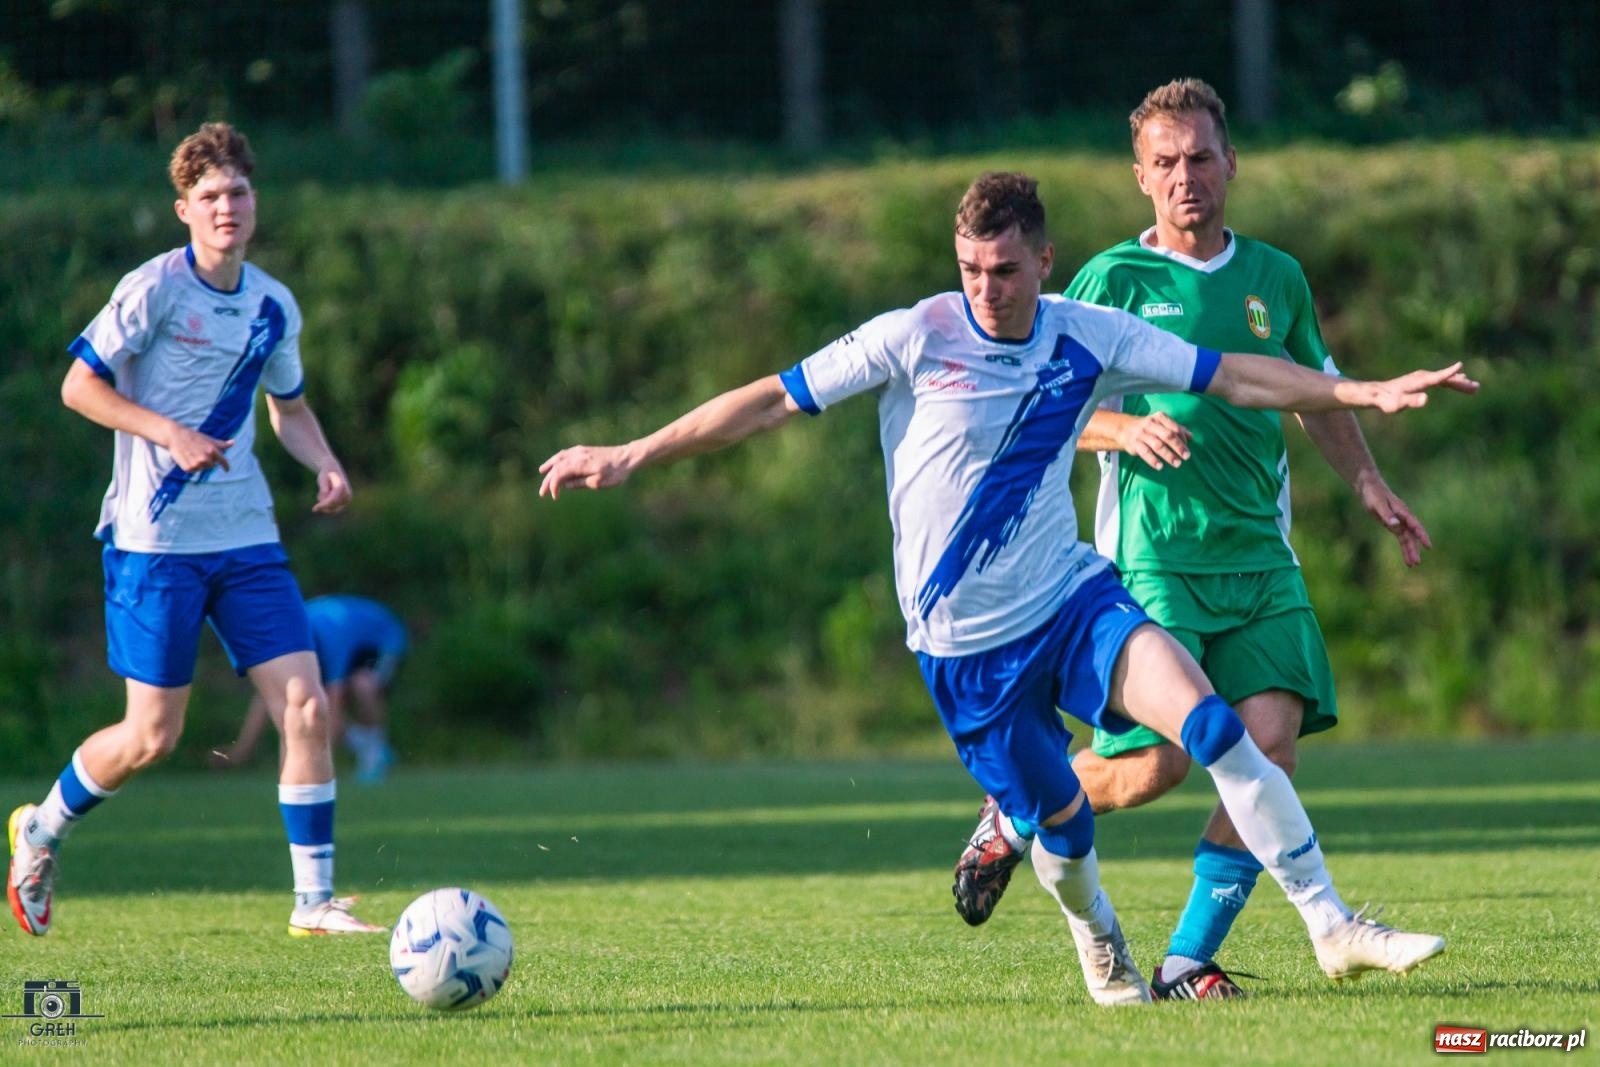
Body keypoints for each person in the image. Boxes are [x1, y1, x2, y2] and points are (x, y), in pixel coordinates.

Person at [537, 171, 1468, 1004]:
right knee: (1064, 829)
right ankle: (1099, 936)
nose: (988, 289)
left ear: (1044, 261)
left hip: (1073, 602)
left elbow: (1234, 377)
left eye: (1008, 271)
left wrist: (1360, 392)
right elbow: (774, 397)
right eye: (973, 269)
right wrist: (634, 451)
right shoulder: (915, 336)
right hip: (966, 652)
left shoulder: (1086, 332)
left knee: (1215, 727)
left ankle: (1330, 923)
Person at [950, 79, 1440, 998]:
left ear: (1230, 164)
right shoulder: (1108, 282)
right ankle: (1019, 809)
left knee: (1272, 744)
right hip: (1151, 559)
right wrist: (1121, 428)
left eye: (1200, 159)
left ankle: (1184, 959)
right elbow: (1039, 410)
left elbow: (1308, 389)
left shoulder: (1275, 277)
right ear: (1140, 176)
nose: (1186, 178)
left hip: (1260, 554)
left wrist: (1368, 477)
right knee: (1155, 766)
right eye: (1165, 163)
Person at [6, 123, 384, 938]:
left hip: (247, 538)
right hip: (154, 542)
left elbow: (288, 407)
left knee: (309, 707)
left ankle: (313, 902)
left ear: (255, 203)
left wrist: (325, 462)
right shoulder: (153, 290)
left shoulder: (274, 305)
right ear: (183, 209)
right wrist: (164, 431)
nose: (227, 208)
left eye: (238, 193)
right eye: (209, 196)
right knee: (152, 737)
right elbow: (78, 387)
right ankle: (39, 829)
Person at [211, 595, 408, 784]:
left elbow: (334, 711)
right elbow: (266, 696)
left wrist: (316, 769)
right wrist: (241, 751)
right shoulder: (285, 641)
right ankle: (370, 746)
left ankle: (374, 756)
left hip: (382, 639)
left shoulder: (332, 641)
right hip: (344, 636)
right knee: (311, 702)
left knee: (362, 686)